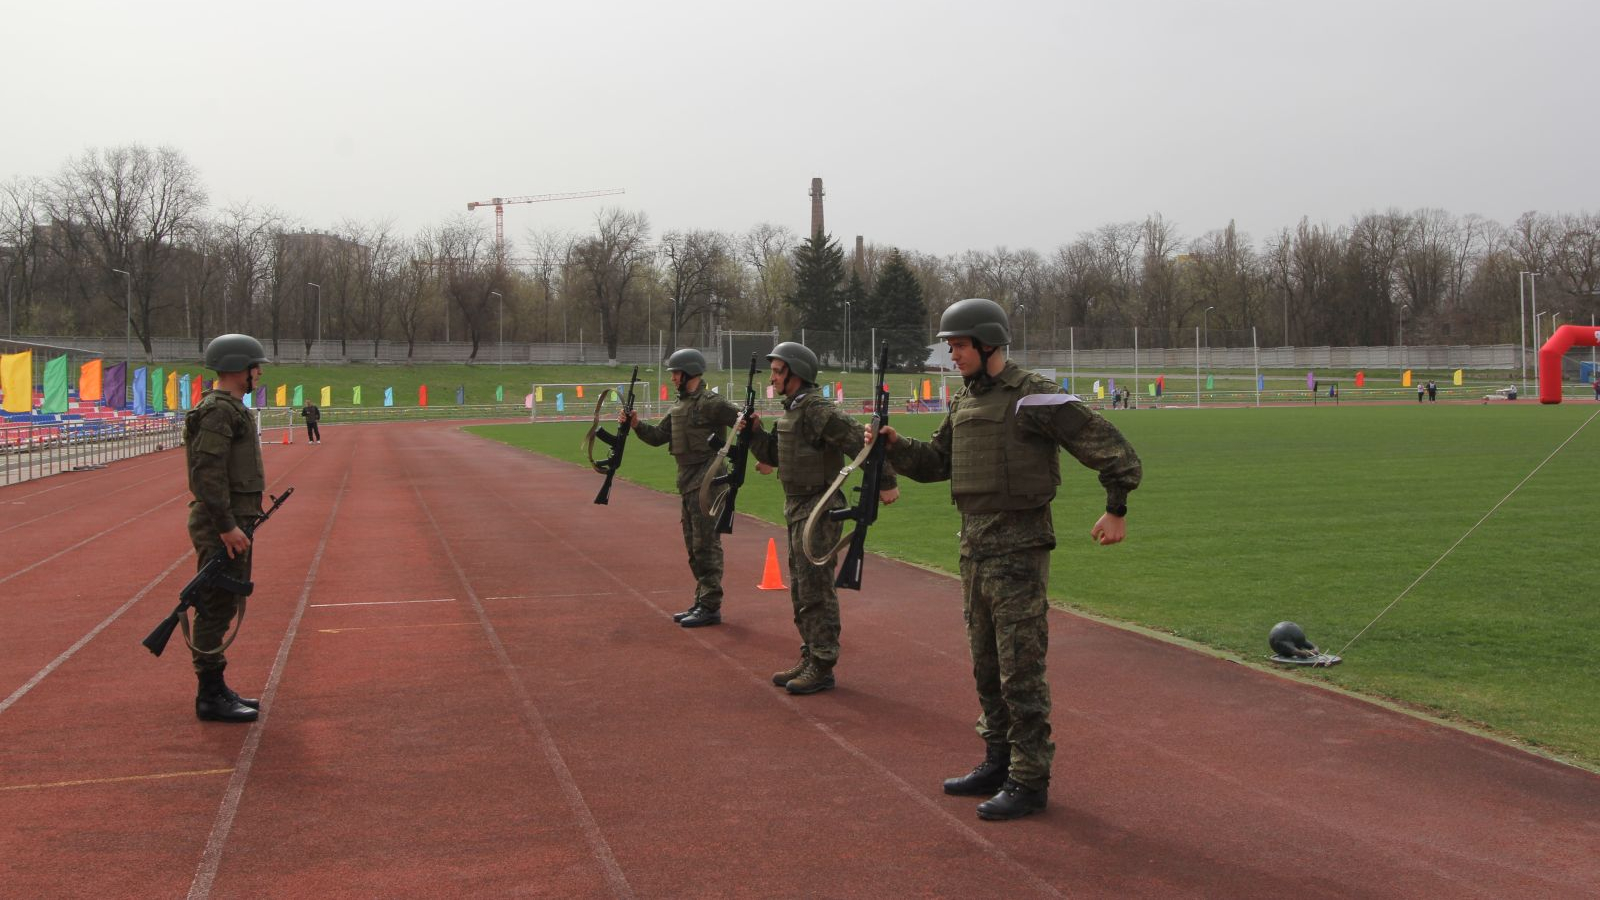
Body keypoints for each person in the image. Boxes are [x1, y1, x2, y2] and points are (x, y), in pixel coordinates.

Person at [867, 298, 1142, 821]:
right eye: (950, 345)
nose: (952, 354)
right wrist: (895, 444)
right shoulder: (965, 401)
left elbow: (1109, 445)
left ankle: (1030, 778)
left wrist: (1116, 508)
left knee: (1021, 670)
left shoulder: (1033, 395)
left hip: (1018, 551)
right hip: (973, 550)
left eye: (960, 344)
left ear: (989, 342)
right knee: (987, 667)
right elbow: (937, 464)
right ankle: (997, 761)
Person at [740, 341, 898, 694]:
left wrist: (886, 481)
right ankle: (811, 652)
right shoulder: (792, 411)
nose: (773, 377)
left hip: (820, 505)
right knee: (800, 585)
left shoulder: (816, 410)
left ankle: (823, 662)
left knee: (815, 586)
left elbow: (862, 440)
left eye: (779, 371)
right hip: (797, 505)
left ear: (796, 374)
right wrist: (753, 434)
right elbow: (774, 455)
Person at [184, 334, 273, 723]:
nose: (259, 373)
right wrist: (226, 526)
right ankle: (210, 696)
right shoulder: (219, 411)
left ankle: (217, 688)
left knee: (222, 600)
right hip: (223, 525)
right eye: (256, 367)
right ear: (242, 368)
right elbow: (207, 473)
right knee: (215, 605)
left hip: (233, 522)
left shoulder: (230, 408)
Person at [624, 349, 740, 628]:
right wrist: (637, 425)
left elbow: (744, 420)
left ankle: (711, 605)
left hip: (708, 479)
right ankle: (702, 598)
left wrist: (755, 455)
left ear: (689, 372)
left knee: (706, 543)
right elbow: (658, 437)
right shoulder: (679, 407)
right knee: (693, 543)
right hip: (687, 480)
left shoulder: (711, 403)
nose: (673, 378)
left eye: (676, 372)